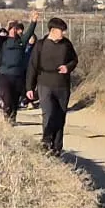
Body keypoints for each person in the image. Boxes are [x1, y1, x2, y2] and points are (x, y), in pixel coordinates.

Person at [27, 17, 80, 154]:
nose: (62, 34)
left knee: (60, 115)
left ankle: (57, 147)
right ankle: (46, 140)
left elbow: (74, 60)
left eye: (63, 31)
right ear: (52, 30)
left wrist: (68, 67)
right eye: (60, 31)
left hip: (62, 85)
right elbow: (32, 66)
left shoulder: (66, 44)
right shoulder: (41, 44)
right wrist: (29, 87)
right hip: (45, 83)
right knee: (49, 113)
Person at [0, 21, 30, 121]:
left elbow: (29, 33)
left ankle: (13, 116)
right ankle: (7, 114)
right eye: (12, 29)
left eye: (16, 29)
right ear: (8, 29)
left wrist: (33, 22)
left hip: (17, 74)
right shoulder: (3, 41)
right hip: (4, 74)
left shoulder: (21, 41)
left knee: (15, 98)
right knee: (7, 97)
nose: (13, 31)